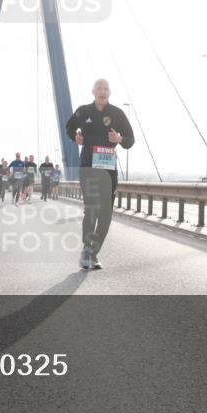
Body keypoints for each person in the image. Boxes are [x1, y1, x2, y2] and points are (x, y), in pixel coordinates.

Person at [66, 78, 135, 270]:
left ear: (109, 92)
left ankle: (92, 253)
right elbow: (69, 127)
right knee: (92, 209)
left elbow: (130, 140)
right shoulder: (83, 111)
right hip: (87, 166)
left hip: (108, 171)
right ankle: (87, 249)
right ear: (93, 91)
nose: (102, 91)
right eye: (99, 88)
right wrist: (76, 137)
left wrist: (120, 138)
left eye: (105, 88)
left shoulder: (118, 114)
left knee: (105, 214)